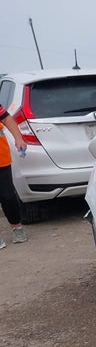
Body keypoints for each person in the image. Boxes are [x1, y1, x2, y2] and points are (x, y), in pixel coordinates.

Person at [0, 104, 28, 248]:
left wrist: (18, 138)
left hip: (1, 157)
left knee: (8, 196)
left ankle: (17, 227)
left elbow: (6, 118)